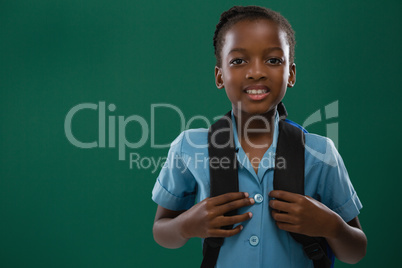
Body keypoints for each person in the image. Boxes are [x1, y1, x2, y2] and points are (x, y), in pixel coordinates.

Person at [151, 5, 367, 267]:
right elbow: (161, 231)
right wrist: (185, 226)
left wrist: (332, 227)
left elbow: (355, 251)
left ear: (291, 74)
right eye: (238, 61)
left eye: (274, 60)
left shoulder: (320, 152)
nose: (256, 72)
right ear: (220, 76)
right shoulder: (190, 147)